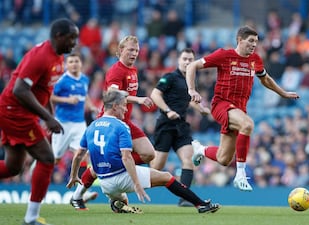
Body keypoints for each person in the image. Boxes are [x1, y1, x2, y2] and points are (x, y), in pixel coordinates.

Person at [66, 89, 220, 214]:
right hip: (121, 177)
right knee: (166, 177)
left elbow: (79, 154)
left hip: (105, 183)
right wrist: (137, 184)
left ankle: (102, 201)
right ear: (114, 106)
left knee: (121, 199)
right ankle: (200, 205)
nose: (126, 109)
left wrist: (74, 175)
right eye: (124, 105)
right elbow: (127, 158)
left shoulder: (92, 125)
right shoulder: (121, 126)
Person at [186, 26, 300, 192]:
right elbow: (192, 66)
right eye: (251, 41)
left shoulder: (255, 60)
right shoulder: (224, 55)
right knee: (247, 125)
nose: (254, 44)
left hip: (238, 110)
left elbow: (265, 79)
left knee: (224, 158)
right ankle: (240, 175)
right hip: (221, 105)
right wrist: (191, 89)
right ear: (240, 40)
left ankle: (200, 149)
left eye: (256, 42)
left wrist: (283, 93)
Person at [0, 18, 79, 225]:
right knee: (46, 158)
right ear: (58, 36)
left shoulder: (58, 58)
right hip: (14, 112)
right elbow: (19, 90)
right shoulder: (40, 56)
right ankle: (31, 219)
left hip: (20, 112)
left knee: (12, 168)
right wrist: (47, 118)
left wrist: (51, 116)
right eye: (71, 38)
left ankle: (31, 218)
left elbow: (45, 90)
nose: (74, 43)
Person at [70, 35, 156, 209]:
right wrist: (138, 100)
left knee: (148, 154)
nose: (134, 53)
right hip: (109, 122)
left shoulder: (133, 70)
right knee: (99, 166)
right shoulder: (116, 71)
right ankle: (77, 196)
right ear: (120, 51)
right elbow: (112, 95)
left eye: (136, 50)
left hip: (124, 121)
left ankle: (116, 166)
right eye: (130, 50)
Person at [149, 48, 210, 207]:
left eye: (191, 59)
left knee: (188, 160)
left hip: (181, 126)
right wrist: (168, 111)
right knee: (156, 167)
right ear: (179, 60)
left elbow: (188, 100)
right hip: (166, 125)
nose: (188, 62)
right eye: (185, 59)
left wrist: (202, 109)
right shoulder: (169, 77)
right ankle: (129, 180)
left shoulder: (190, 81)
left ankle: (185, 199)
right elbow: (155, 95)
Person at [50, 53, 98, 207]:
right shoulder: (62, 81)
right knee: (55, 159)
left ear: (81, 63)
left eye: (76, 61)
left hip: (79, 124)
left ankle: (81, 192)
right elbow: (51, 98)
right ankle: (34, 172)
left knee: (84, 154)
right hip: (62, 124)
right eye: (70, 61)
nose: (74, 64)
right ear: (66, 65)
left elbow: (85, 95)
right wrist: (67, 100)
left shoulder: (84, 79)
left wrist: (90, 106)